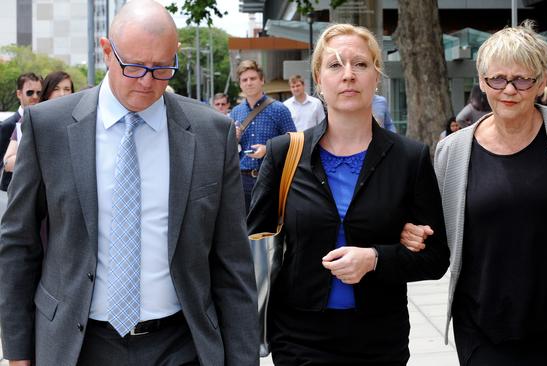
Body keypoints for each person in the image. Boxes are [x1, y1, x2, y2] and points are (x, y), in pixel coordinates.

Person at [0, 1, 258, 365]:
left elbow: (233, 261)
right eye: (134, 66)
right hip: (77, 344)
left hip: (182, 344)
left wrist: (243, 357)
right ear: (107, 51)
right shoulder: (49, 128)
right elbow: (18, 243)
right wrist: (17, 350)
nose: (148, 81)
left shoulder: (210, 134)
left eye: (162, 68)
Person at [401, 21, 547, 366]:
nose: (509, 90)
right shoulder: (453, 151)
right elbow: (432, 226)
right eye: (497, 79)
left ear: (542, 81)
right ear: (482, 81)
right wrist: (412, 232)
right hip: (484, 320)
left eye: (522, 79)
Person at [247, 23, 450, 365]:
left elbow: (436, 258)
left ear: (376, 77)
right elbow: (252, 244)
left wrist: (376, 258)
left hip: (380, 340)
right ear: (319, 80)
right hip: (299, 339)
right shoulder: (283, 154)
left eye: (360, 64)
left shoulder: (409, 158)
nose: (348, 75)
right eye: (335, 65)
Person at [230, 59, 295, 211]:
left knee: (270, 228)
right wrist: (233, 138)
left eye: (253, 78)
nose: (248, 83)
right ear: (240, 84)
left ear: (262, 80)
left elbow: (294, 142)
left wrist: (268, 149)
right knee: (246, 229)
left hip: (271, 177)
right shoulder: (235, 112)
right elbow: (228, 150)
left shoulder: (279, 109)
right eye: (244, 80)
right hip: (243, 178)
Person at [3, 71, 76, 174]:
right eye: (56, 89)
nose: (62, 94)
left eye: (67, 89)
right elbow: (7, 162)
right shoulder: (31, 119)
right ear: (47, 92)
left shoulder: (79, 120)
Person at [0, 73, 42, 191]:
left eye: (39, 93)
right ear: (19, 94)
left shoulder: (44, 120)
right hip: (13, 191)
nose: (35, 96)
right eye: (30, 92)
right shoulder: (7, 125)